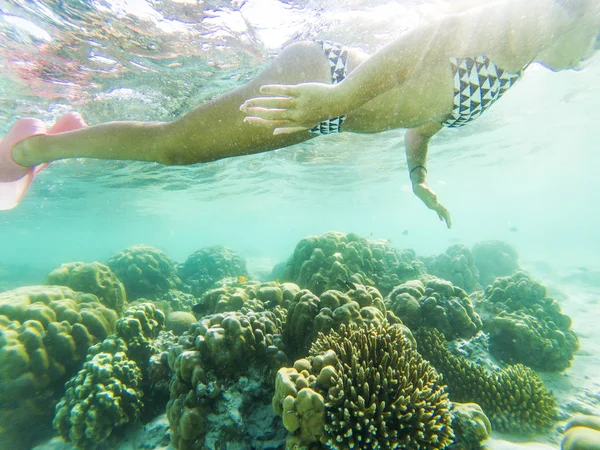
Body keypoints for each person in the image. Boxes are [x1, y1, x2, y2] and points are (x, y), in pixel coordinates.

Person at [1, 0, 598, 226]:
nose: (586, 63)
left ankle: (63, 135)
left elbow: (425, 116)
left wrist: (418, 177)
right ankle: (33, 147)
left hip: (329, 104)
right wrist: (337, 98)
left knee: (180, 145)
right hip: (325, 82)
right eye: (596, 43)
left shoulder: (515, 67)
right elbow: (437, 34)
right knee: (175, 146)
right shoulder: (537, 20)